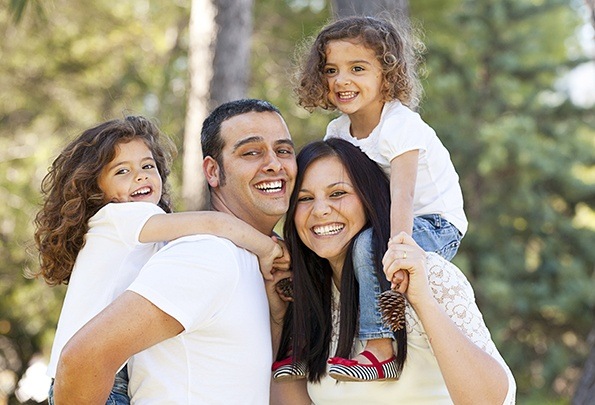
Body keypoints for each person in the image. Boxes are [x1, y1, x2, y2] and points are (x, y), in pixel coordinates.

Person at [42, 103, 295, 404]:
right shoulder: (206, 253)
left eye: (283, 150)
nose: (273, 164)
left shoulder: (235, 258)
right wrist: (269, 246)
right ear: (212, 171)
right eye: (251, 152)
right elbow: (81, 360)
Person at [277, 15, 468, 381]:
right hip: (386, 216)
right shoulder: (337, 130)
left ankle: (381, 350)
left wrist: (396, 246)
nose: (341, 81)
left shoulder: (401, 125)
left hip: (435, 224)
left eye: (358, 68)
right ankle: (307, 347)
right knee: (321, 250)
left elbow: (403, 192)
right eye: (331, 70)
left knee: (365, 246)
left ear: (388, 74)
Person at [271, 138, 515, 404]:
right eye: (305, 199)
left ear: (369, 199)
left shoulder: (427, 274)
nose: (320, 210)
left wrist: (422, 299)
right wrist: (278, 314)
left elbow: (493, 400)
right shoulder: (311, 298)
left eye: (338, 193)